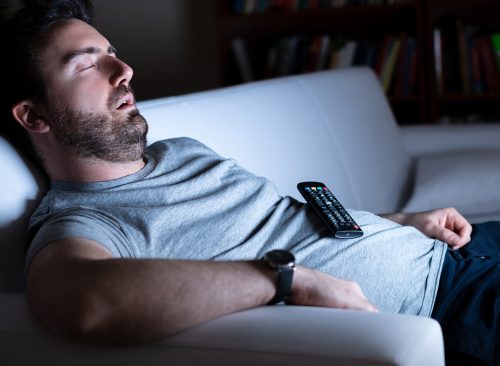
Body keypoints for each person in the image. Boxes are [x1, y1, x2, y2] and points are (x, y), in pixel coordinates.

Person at [0, 1, 497, 365]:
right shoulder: (84, 220)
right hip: (453, 306)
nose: (124, 70)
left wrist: (400, 222)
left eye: (113, 53)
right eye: (87, 64)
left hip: (456, 248)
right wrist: (281, 278)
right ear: (33, 115)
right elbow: (82, 301)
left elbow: (286, 228)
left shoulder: (181, 149)